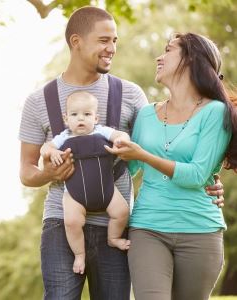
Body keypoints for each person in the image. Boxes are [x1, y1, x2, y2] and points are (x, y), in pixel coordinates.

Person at [18, 6, 226, 300]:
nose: (112, 49)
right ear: (76, 41)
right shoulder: (38, 101)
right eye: (104, 40)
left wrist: (208, 178)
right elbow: (26, 171)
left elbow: (151, 150)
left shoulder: (130, 95)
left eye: (115, 41)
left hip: (115, 224)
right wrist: (47, 173)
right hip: (62, 221)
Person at [106, 32, 237, 300]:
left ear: (191, 59)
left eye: (168, 50)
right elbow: (128, 170)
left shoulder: (215, 112)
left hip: (200, 231)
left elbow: (198, 175)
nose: (159, 57)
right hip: (147, 228)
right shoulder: (145, 114)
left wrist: (143, 155)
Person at [40, 91, 131, 275]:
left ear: (96, 117)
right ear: (66, 119)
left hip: (107, 191)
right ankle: (79, 254)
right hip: (75, 195)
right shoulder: (63, 137)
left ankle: (113, 238)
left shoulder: (102, 131)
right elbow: (45, 148)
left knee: (122, 212)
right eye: (74, 115)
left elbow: (120, 134)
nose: (80, 119)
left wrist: (122, 140)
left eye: (87, 114)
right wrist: (52, 153)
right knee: (72, 222)